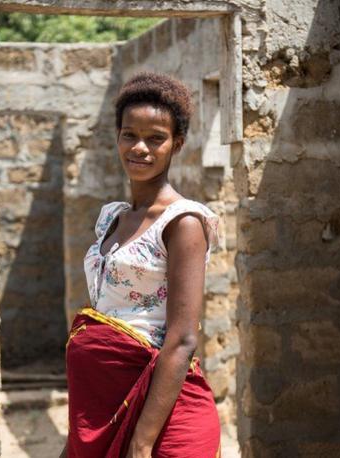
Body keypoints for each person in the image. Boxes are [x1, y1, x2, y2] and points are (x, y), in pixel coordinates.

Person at [61, 72, 222, 458]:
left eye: (156, 138)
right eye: (130, 134)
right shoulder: (111, 218)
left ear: (177, 144)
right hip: (104, 405)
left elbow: (182, 338)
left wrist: (143, 442)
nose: (140, 148)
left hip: (165, 419)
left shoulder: (182, 223)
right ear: (117, 137)